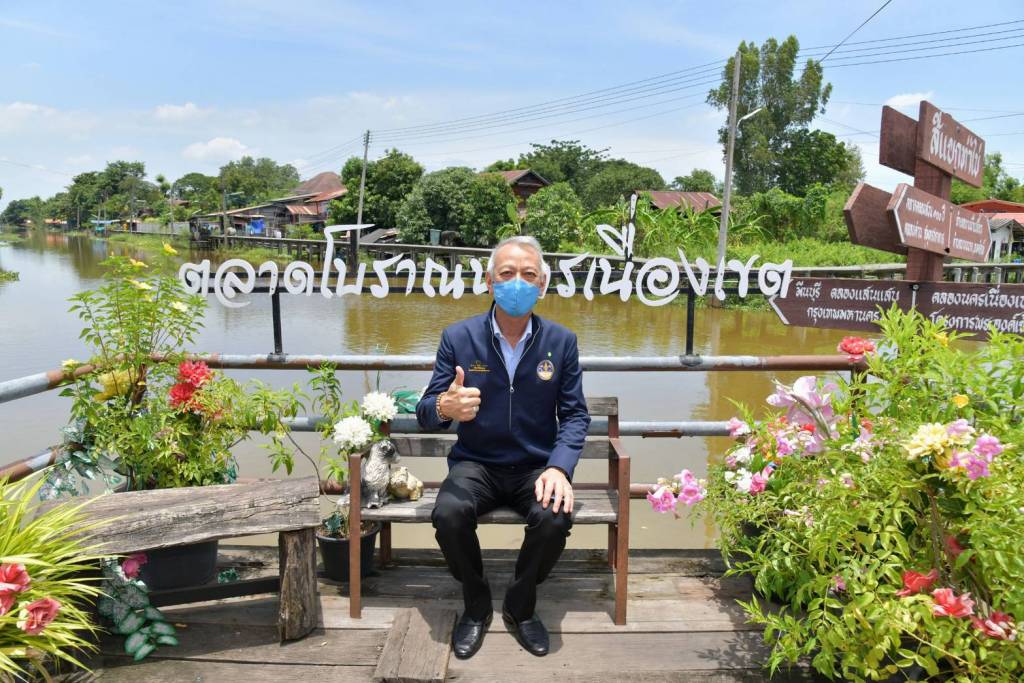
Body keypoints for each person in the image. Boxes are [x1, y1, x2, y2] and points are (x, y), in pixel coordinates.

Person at [416, 235, 591, 659]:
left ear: (542, 284)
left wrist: (559, 467)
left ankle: (520, 605)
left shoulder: (561, 341)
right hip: (476, 464)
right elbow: (425, 411)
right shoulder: (458, 338)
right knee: (448, 514)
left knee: (554, 518)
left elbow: (575, 416)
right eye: (507, 273)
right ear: (489, 281)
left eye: (528, 275)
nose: (517, 283)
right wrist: (444, 406)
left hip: (535, 466)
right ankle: (476, 605)